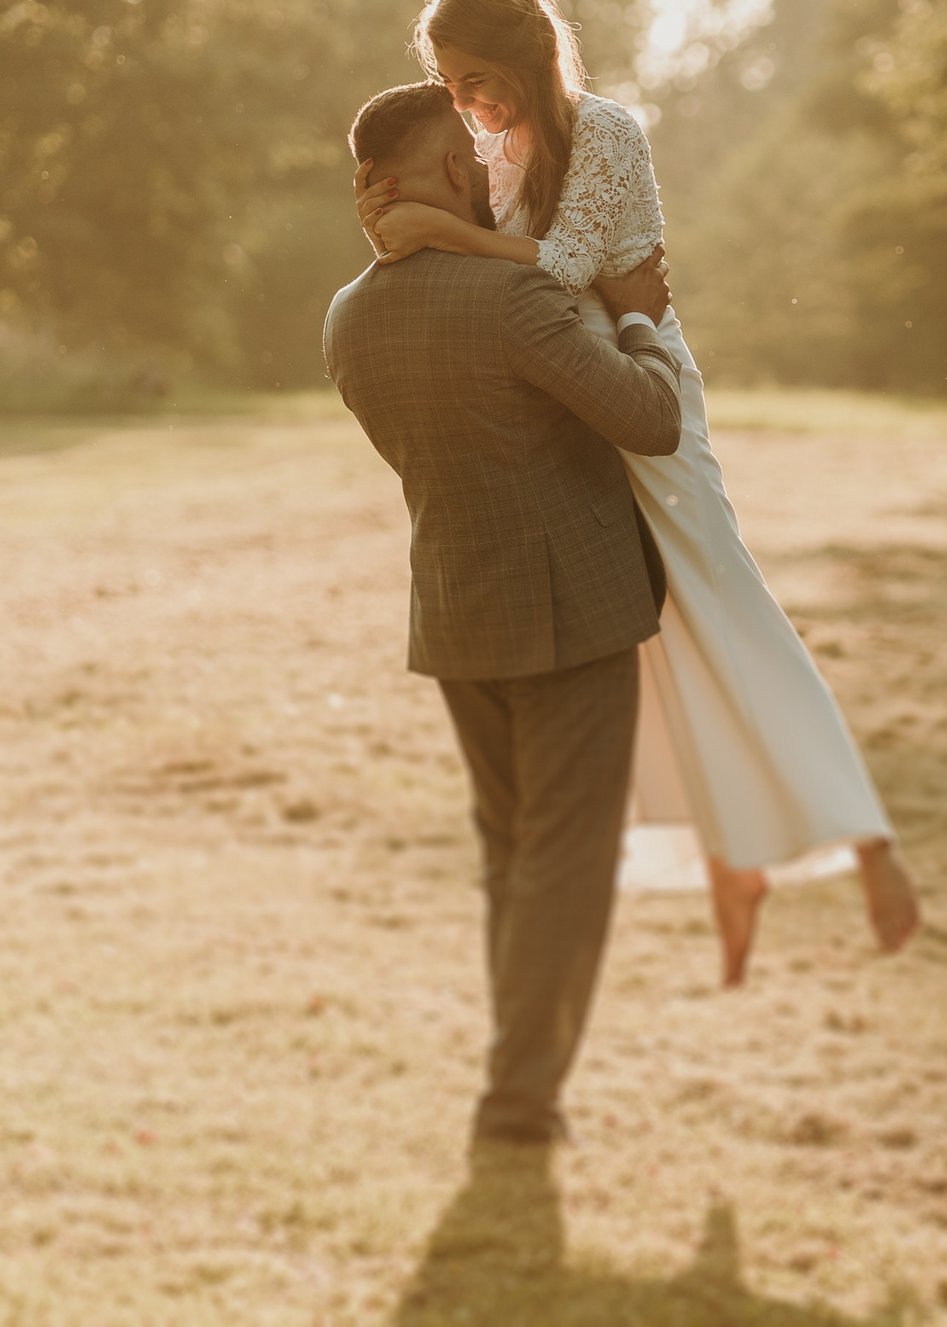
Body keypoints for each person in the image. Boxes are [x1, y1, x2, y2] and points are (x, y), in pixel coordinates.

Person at [353, 0, 921, 989]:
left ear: (527, 54)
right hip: (563, 395)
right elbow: (497, 286)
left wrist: (439, 230)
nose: (468, 106)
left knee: (717, 602)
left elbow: (569, 271)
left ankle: (862, 834)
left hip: (641, 375)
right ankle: (730, 858)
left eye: (478, 79)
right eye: (450, 87)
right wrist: (411, 219)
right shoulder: (489, 152)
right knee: (639, 644)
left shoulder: (606, 131)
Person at [324, 80, 682, 1147]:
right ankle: (519, 1102)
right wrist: (638, 318)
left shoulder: (347, 318)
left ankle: (516, 1079)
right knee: (565, 860)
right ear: (448, 168)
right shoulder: (516, 299)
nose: (489, 169)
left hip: (456, 611)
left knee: (510, 856)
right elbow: (650, 418)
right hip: (572, 612)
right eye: (473, 157)